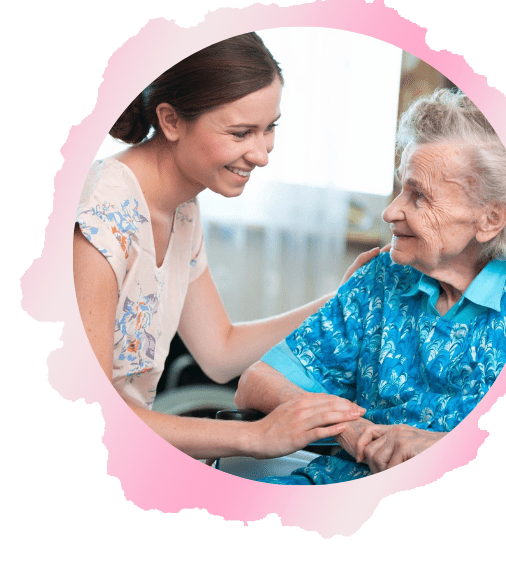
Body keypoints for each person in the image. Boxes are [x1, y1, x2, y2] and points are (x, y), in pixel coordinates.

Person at [73, 32, 376, 462]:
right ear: (172, 120)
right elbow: (89, 410)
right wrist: (256, 436)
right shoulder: (102, 213)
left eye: (269, 128)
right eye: (240, 133)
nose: (262, 153)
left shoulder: (182, 208)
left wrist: (341, 300)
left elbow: (220, 350)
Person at [235, 89, 506, 484]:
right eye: (400, 188)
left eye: (419, 196)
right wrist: (345, 427)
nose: (391, 212)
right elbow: (256, 383)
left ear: (490, 219)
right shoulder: (384, 276)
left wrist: (444, 448)